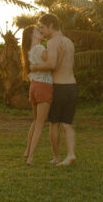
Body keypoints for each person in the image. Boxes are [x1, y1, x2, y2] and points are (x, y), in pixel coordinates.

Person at [30, 13, 77, 166]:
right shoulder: (69, 42)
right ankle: (71, 154)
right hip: (72, 86)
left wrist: (34, 67)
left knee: (54, 124)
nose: (41, 30)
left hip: (58, 87)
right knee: (67, 124)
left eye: (42, 27)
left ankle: (56, 157)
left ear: (51, 25)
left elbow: (51, 64)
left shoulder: (52, 42)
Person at [20, 25, 52, 165]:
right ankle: (31, 157)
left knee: (35, 121)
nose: (41, 32)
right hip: (44, 86)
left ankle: (27, 151)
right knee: (40, 123)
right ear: (32, 35)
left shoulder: (28, 52)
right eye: (38, 31)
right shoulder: (40, 48)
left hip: (34, 86)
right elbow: (53, 63)